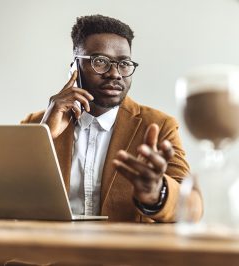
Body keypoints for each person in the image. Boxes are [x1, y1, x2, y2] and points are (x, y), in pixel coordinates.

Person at [21, 14, 202, 223]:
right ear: (74, 67)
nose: (115, 73)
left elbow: (192, 206)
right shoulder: (36, 126)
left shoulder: (159, 126)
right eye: (100, 61)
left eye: (124, 63)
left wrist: (157, 193)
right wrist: (44, 137)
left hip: (122, 254)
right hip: (51, 252)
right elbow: (7, 197)